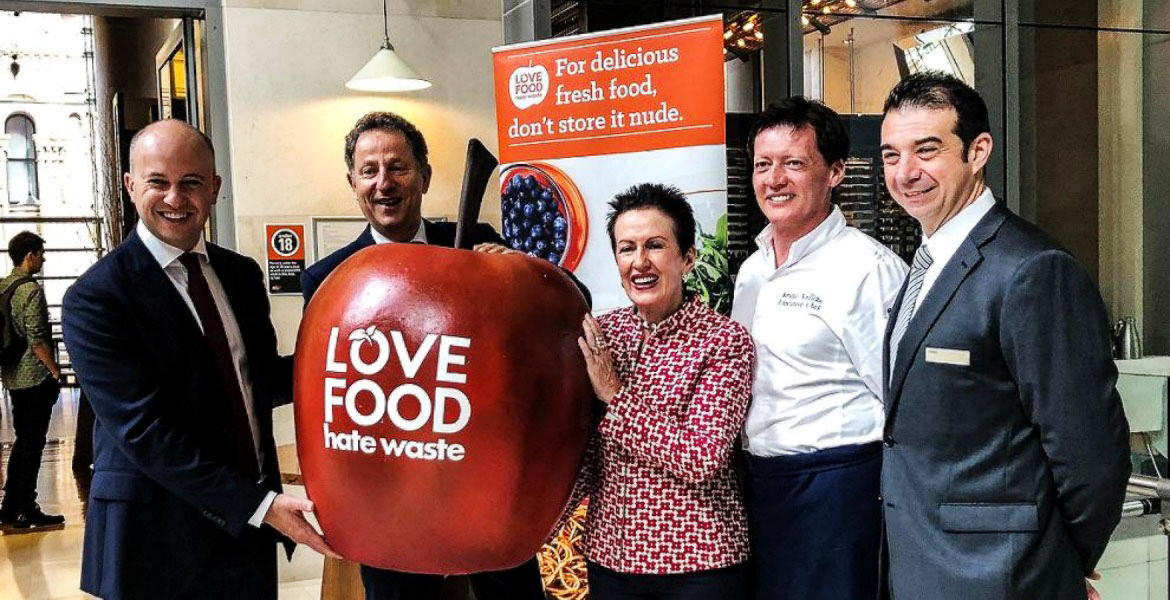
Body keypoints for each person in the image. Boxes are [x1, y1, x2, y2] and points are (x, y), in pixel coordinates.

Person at [879, 72, 1130, 599]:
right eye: (890, 155)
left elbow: (1089, 450)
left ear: (978, 150)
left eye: (927, 150)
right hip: (923, 562)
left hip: (1002, 575)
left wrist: (1058, 563)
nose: (906, 173)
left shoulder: (1032, 269)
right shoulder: (925, 264)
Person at [62, 119, 336, 600]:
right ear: (130, 186)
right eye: (157, 182)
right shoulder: (96, 297)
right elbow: (143, 433)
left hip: (243, 533)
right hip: (153, 539)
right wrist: (259, 505)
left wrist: (347, 354)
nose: (174, 198)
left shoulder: (241, 275)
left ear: (215, 188)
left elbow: (259, 382)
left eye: (191, 182)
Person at [301, 111, 550, 600]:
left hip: (482, 490)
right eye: (369, 171)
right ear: (352, 183)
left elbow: (559, 307)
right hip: (394, 502)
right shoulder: (327, 278)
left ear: (425, 176)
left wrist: (520, 272)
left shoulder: (479, 243)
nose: (383, 183)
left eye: (398, 167)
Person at [730, 98, 907, 599]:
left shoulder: (869, 269)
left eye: (793, 163)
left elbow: (899, 398)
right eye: (763, 165)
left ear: (834, 172)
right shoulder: (753, 269)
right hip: (762, 483)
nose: (774, 179)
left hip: (839, 488)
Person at [574, 182, 755, 600]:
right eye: (626, 248)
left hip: (700, 563)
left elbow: (701, 456)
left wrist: (615, 395)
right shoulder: (602, 333)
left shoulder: (724, 341)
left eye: (655, 245)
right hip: (611, 558)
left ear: (687, 257)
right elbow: (583, 452)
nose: (640, 262)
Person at [0, 231, 66, 530]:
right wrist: (55, 371)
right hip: (34, 378)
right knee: (32, 444)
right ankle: (26, 507)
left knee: (22, 442)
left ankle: (11, 506)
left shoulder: (4, 286)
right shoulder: (31, 290)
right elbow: (38, 340)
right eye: (40, 253)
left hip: (12, 375)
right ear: (29, 255)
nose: (43, 259)